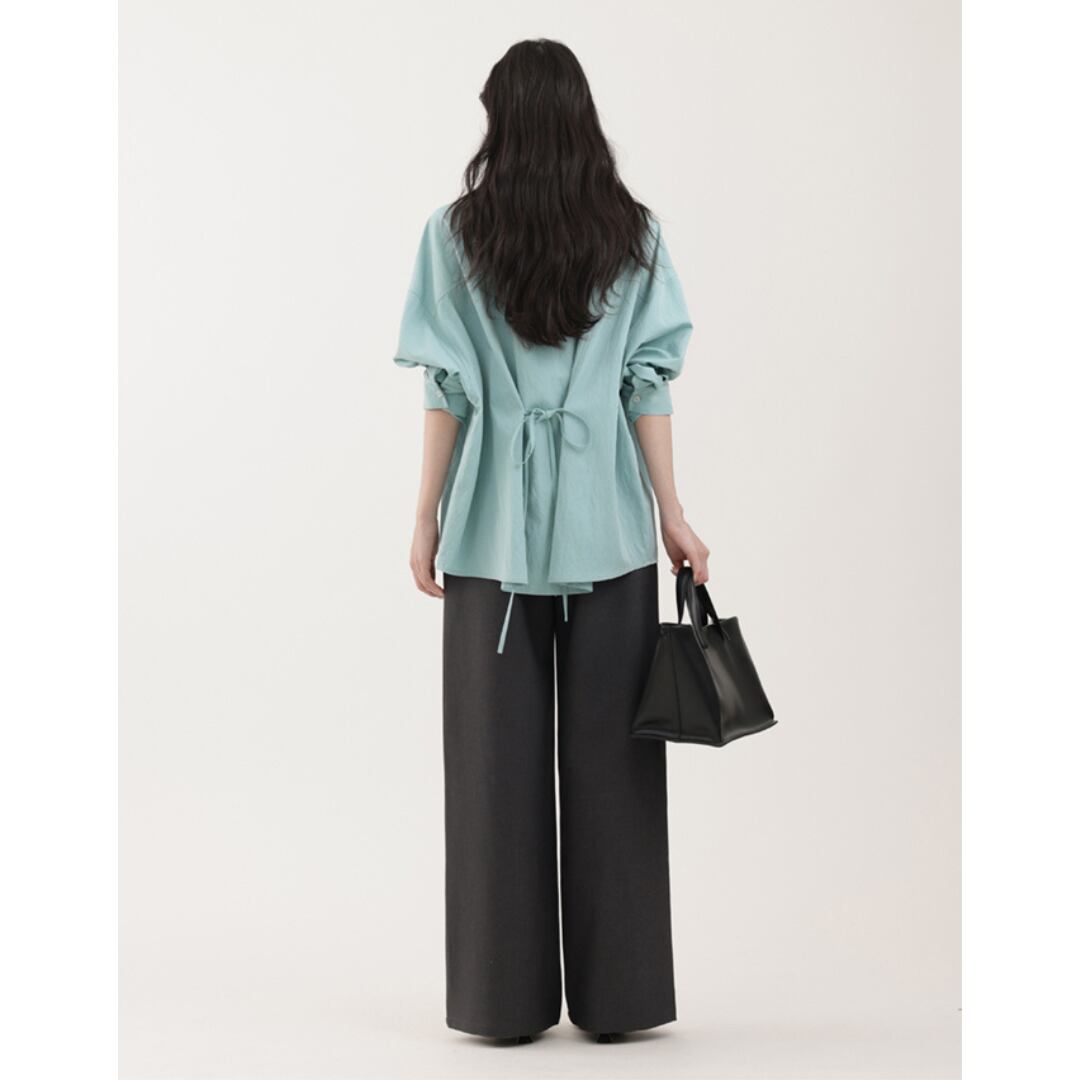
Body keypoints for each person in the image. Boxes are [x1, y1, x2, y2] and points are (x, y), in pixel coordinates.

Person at [392, 39, 709, 1045]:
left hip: (491, 539)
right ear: (581, 118)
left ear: (503, 120)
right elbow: (646, 384)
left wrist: (428, 512)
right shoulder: (632, 233)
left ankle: (502, 1003)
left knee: (493, 774)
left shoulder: (454, 235)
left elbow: (447, 389)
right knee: (618, 771)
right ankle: (620, 1002)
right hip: (610, 531)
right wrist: (670, 513)